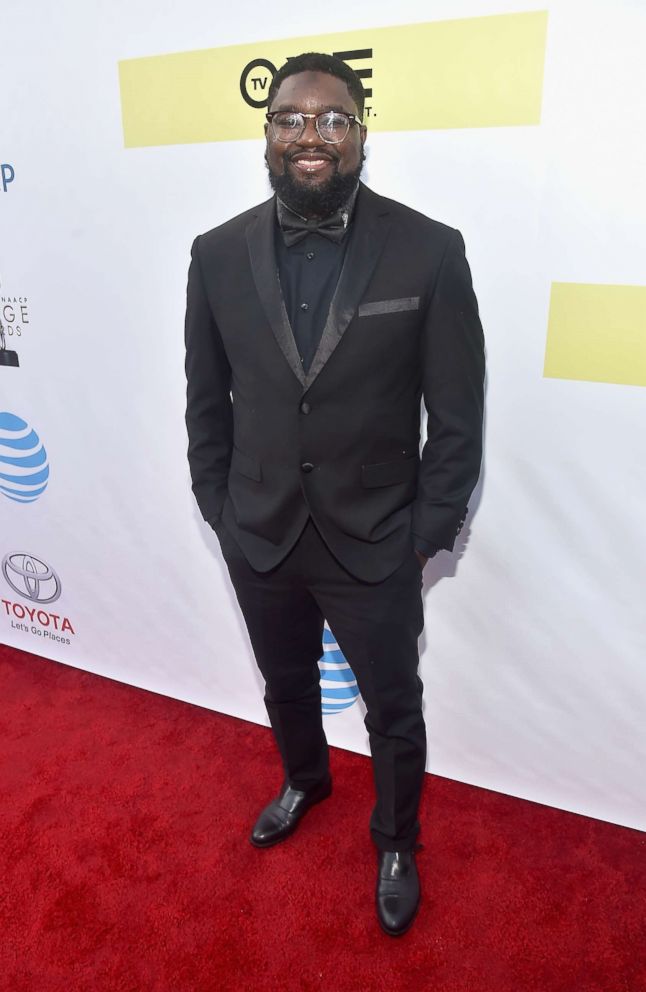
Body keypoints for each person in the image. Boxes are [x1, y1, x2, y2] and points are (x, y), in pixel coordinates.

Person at [184, 52, 485, 937]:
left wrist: (423, 534)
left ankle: (397, 837)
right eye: (291, 118)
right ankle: (306, 779)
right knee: (285, 684)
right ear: (266, 134)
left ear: (360, 134)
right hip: (261, 529)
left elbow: (457, 414)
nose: (309, 134)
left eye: (330, 119)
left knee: (394, 704)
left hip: (376, 538)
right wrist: (221, 509)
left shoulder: (430, 249)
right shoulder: (215, 253)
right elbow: (207, 399)